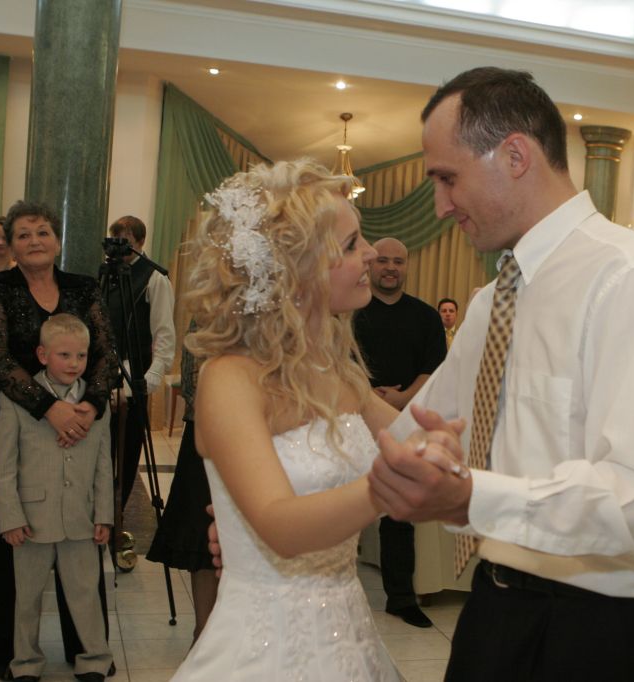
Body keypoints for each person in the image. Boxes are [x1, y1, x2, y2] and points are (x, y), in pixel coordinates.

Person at [368, 67, 634, 681]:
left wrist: (472, 496)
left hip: (604, 625)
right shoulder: (493, 299)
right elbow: (416, 428)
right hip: (498, 599)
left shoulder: (632, 280)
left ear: (515, 155)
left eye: (448, 178)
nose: (441, 206)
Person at [172, 161, 460, 681]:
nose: (369, 254)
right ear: (297, 271)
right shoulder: (231, 379)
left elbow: (414, 440)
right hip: (265, 645)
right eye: (351, 244)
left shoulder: (337, 372)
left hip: (347, 629)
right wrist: (393, 482)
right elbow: (280, 526)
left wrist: (440, 446)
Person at [0, 200, 119, 680]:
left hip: (81, 413)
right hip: (18, 414)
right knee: (21, 551)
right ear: (10, 245)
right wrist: (47, 408)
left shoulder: (83, 287)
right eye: (23, 234)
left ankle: (88, 654)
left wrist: (90, 406)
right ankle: (16, 657)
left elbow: (105, 352)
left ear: (57, 240)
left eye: (43, 232)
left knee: (80, 551)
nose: (34, 240)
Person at [0, 314, 113, 682]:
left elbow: (103, 463)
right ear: (42, 355)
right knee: (27, 598)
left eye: (81, 356)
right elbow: (3, 465)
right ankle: (26, 662)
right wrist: (10, 517)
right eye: (64, 355)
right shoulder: (17, 399)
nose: (74, 364)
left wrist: (104, 514)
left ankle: (94, 658)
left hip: (81, 516)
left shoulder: (95, 404)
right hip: (32, 518)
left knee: (85, 593)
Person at [353, 236, 446, 628]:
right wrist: (366, 396)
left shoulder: (425, 317)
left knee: (399, 513)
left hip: (405, 422)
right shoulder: (349, 312)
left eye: (398, 262)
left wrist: (403, 397)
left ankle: (401, 598)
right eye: (383, 261)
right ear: (370, 265)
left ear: (407, 267)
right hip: (351, 419)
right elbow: (336, 362)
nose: (390, 268)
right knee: (342, 504)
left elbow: (434, 368)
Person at [145, 323, 218, 644]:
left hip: (264, 436)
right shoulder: (207, 313)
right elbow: (192, 382)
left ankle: (234, 635)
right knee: (202, 538)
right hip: (207, 433)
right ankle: (202, 633)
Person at [105, 215, 175, 522]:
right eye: (116, 242)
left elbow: (164, 332)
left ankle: (115, 518)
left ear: (141, 242)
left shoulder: (154, 278)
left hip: (133, 377)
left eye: (127, 243)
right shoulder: (106, 274)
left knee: (126, 452)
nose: (121, 250)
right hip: (102, 376)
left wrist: (151, 377)